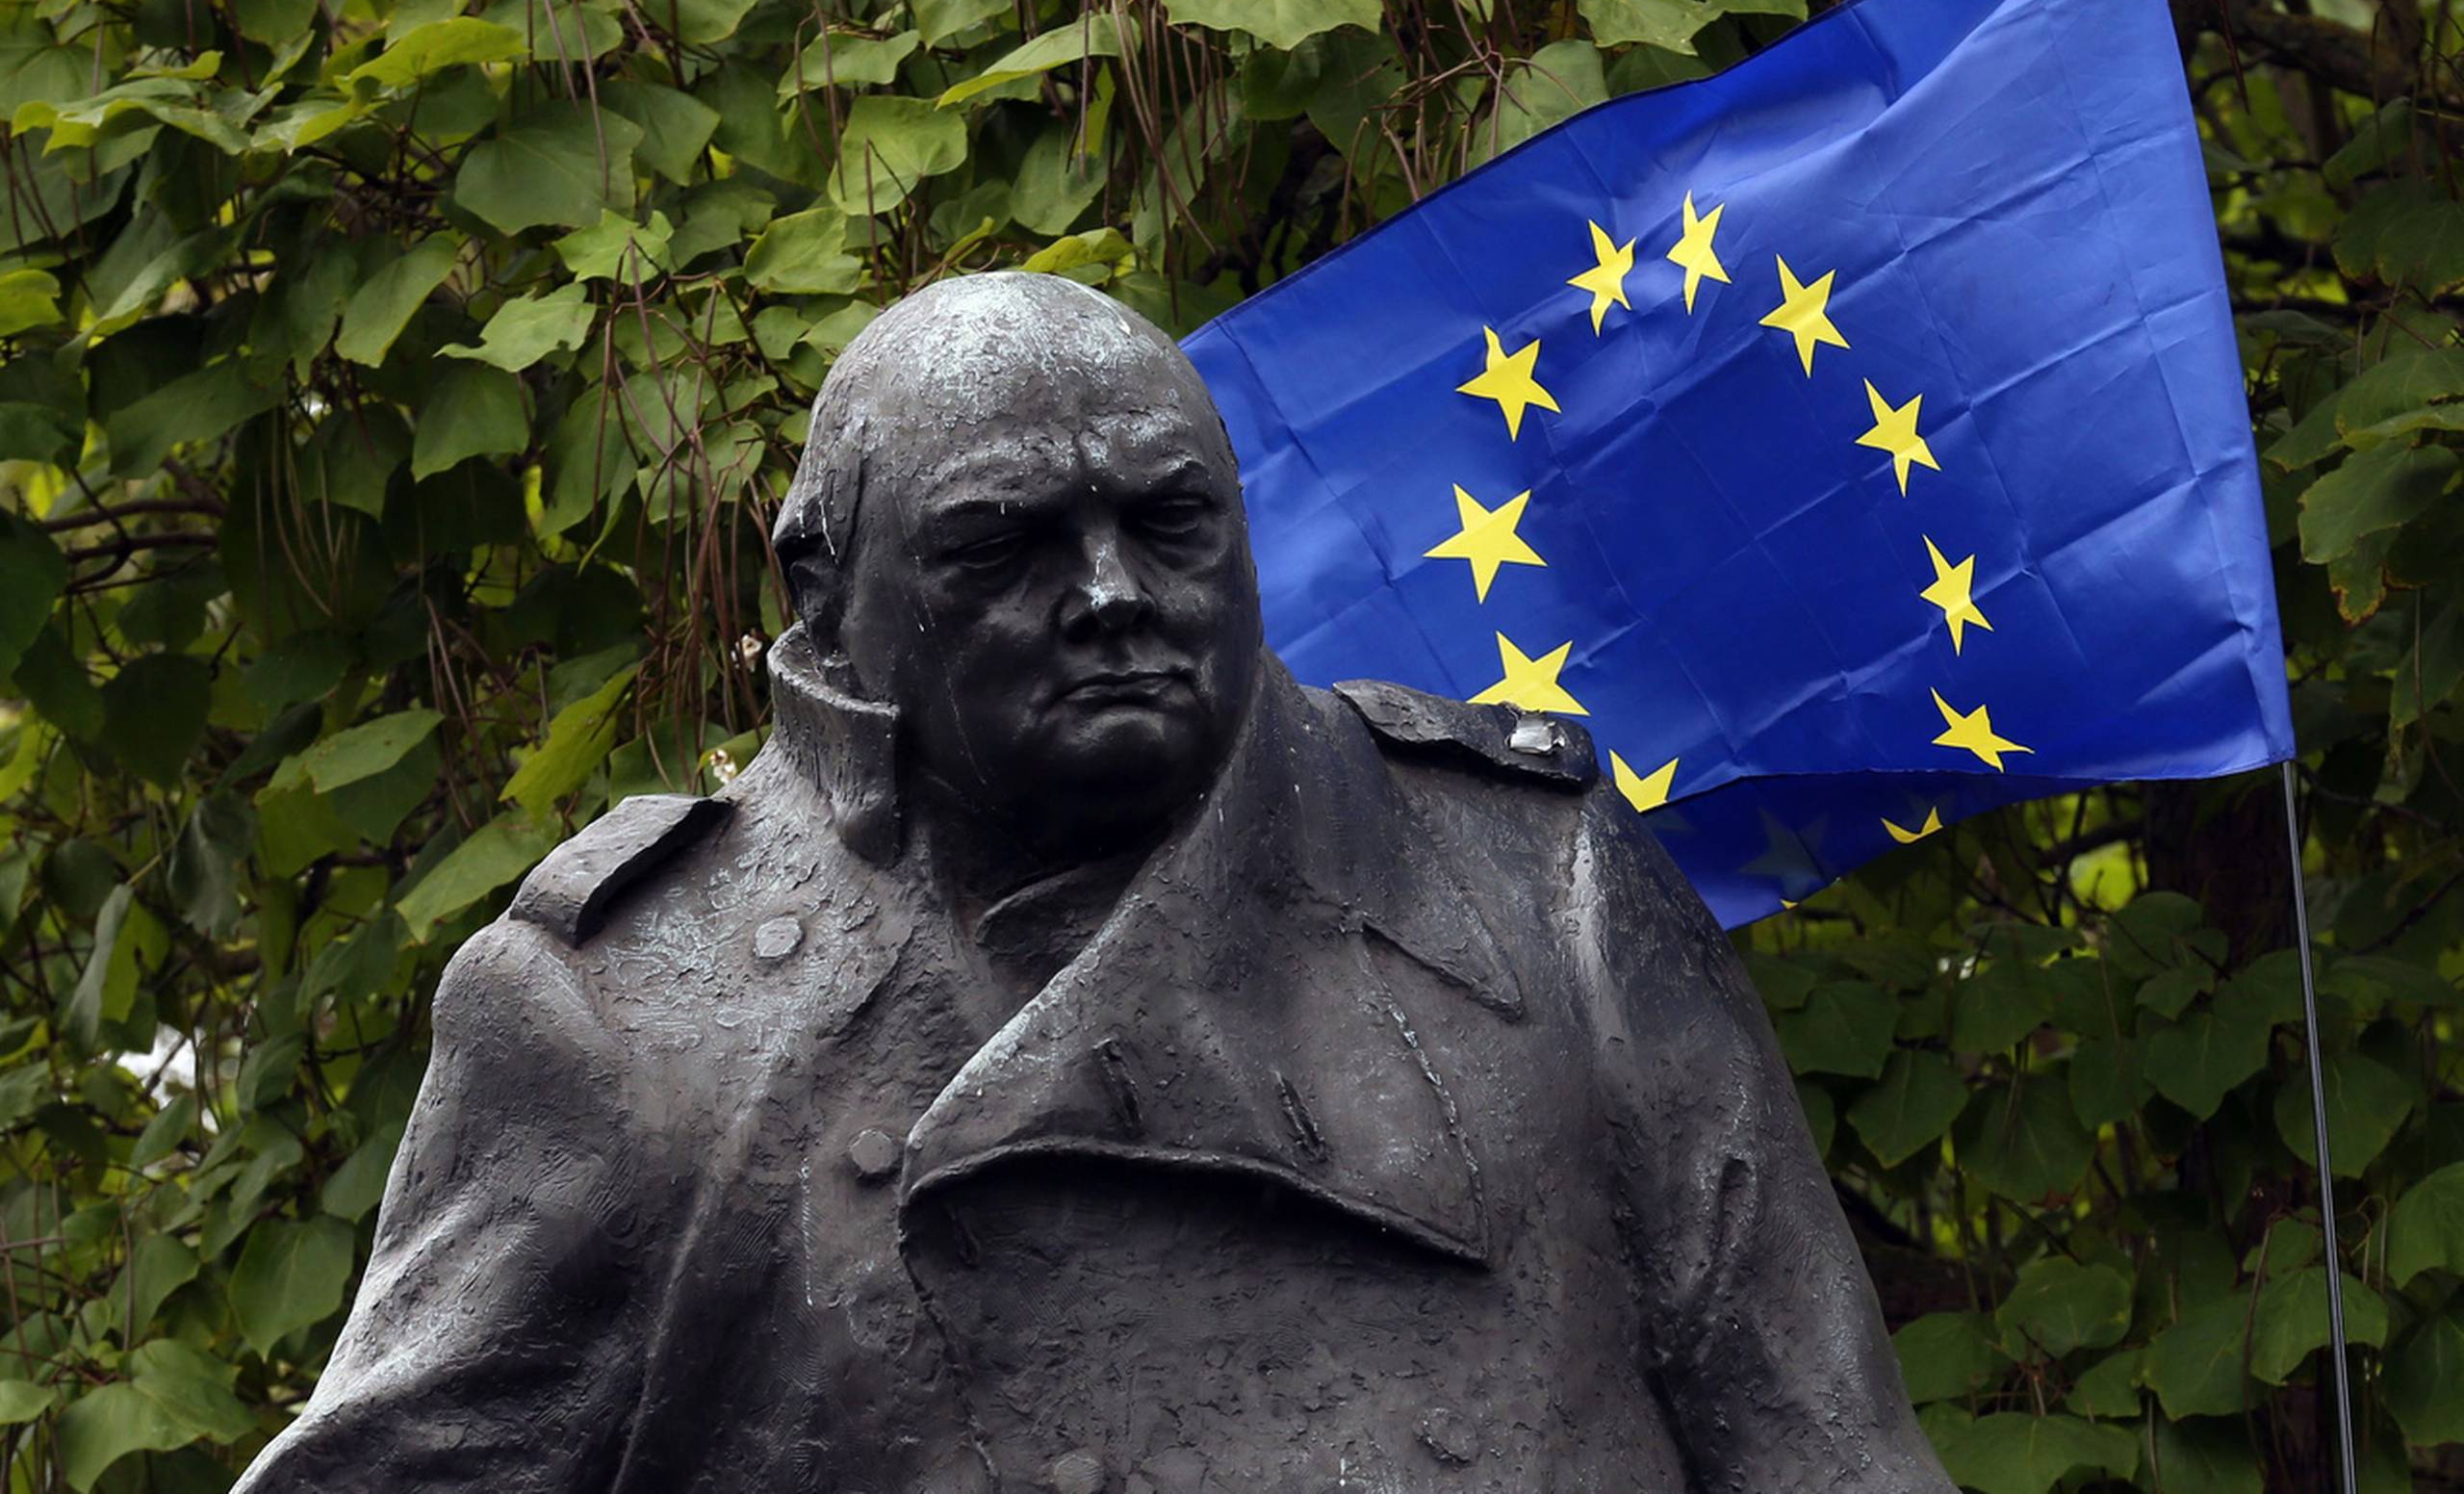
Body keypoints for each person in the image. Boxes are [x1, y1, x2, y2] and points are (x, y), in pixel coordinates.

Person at [236, 272, 1954, 1493]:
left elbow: (1831, 1453)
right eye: (1005, 543)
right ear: (826, 586)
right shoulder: (627, 1013)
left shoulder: (1539, 882)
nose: (1116, 592)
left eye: (1171, 521)